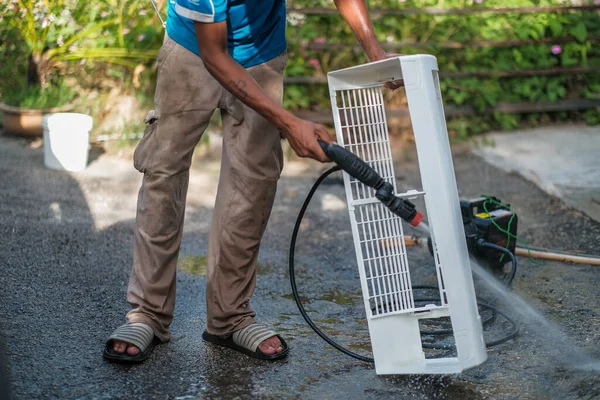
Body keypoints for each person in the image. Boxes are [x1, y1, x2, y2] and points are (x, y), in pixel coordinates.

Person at [103, 0, 402, 363]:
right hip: (192, 52)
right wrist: (291, 124)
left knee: (253, 183)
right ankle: (148, 313)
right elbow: (214, 56)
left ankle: (229, 318)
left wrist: (373, 48)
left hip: (262, 53)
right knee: (163, 177)